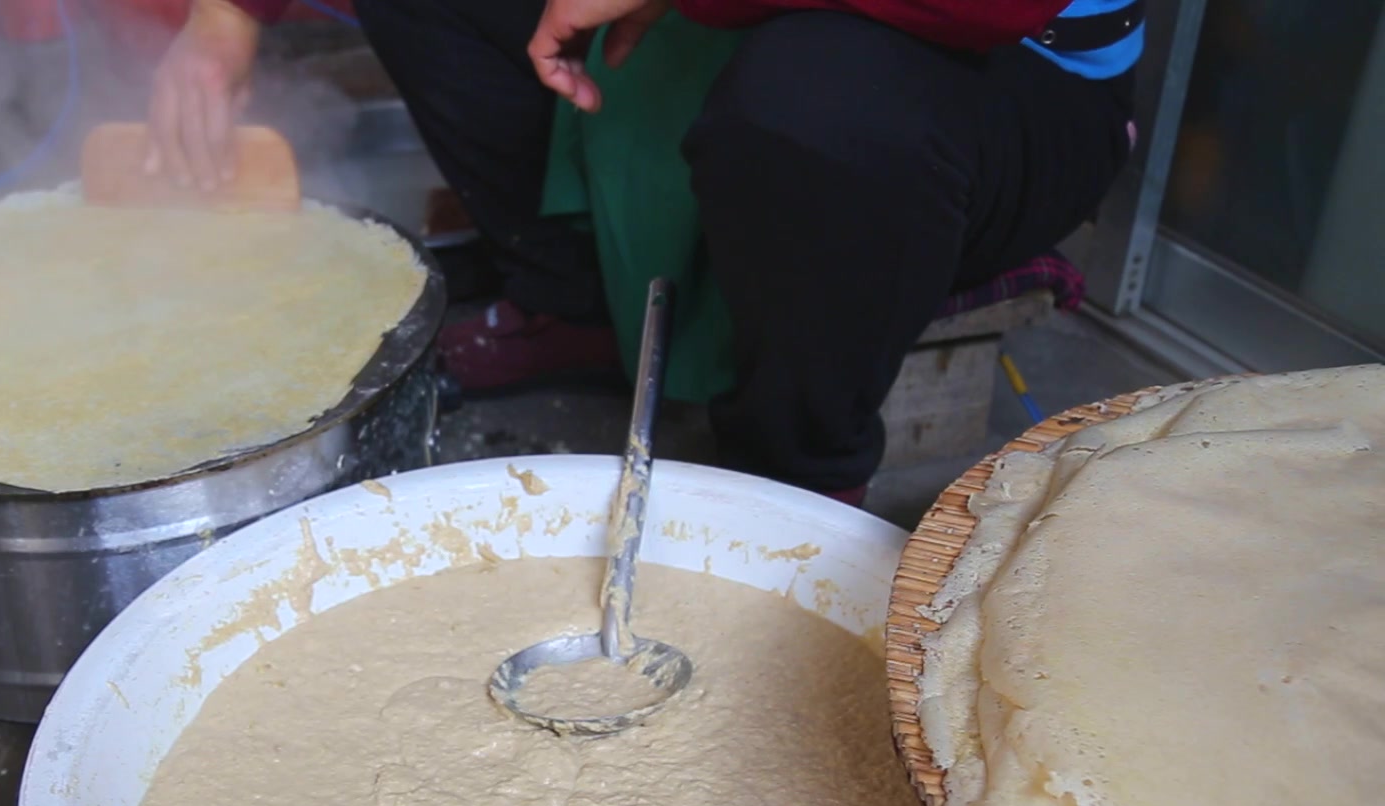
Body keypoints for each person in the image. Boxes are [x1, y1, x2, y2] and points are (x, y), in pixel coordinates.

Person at [145, 0, 1141, 505]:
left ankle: (795, 476)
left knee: (817, 103)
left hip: (999, 65)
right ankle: (579, 297)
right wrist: (226, 15)